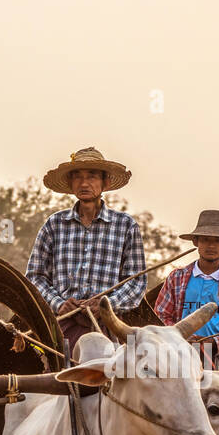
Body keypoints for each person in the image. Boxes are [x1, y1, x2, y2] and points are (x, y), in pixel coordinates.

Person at [26, 147, 145, 355]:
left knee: (112, 381)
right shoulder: (54, 224)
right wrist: (60, 304)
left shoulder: (125, 226)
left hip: (108, 328)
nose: (84, 183)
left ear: (105, 183)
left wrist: (106, 306)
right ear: (71, 184)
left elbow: (136, 282)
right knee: (57, 380)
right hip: (62, 325)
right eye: (78, 177)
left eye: (91, 176)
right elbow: (35, 277)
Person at [153, 209, 219, 371]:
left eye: (218, 241)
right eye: (206, 240)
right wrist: (180, 334)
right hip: (180, 353)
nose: (211, 246)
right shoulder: (176, 278)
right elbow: (161, 316)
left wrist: (216, 341)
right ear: (195, 241)